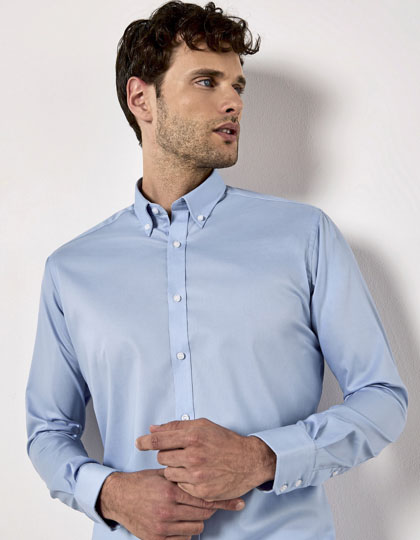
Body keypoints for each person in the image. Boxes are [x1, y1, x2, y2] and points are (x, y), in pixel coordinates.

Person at [25, 1, 408, 539]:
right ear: (142, 98)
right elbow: (47, 430)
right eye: (207, 81)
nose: (234, 102)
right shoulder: (72, 270)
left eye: (238, 86)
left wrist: (264, 456)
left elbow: (382, 398)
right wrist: (109, 494)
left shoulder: (305, 237)